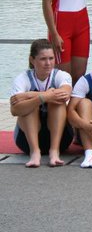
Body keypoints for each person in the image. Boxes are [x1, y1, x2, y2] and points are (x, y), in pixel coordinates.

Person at [9, 39, 73, 167]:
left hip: (61, 140)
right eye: (43, 59)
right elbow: (15, 110)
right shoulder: (22, 78)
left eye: (51, 58)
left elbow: (64, 94)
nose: (48, 63)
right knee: (30, 106)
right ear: (32, 60)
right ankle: (35, 152)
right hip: (26, 141)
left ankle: (54, 152)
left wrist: (28, 94)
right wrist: (41, 98)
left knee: (58, 103)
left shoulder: (62, 75)